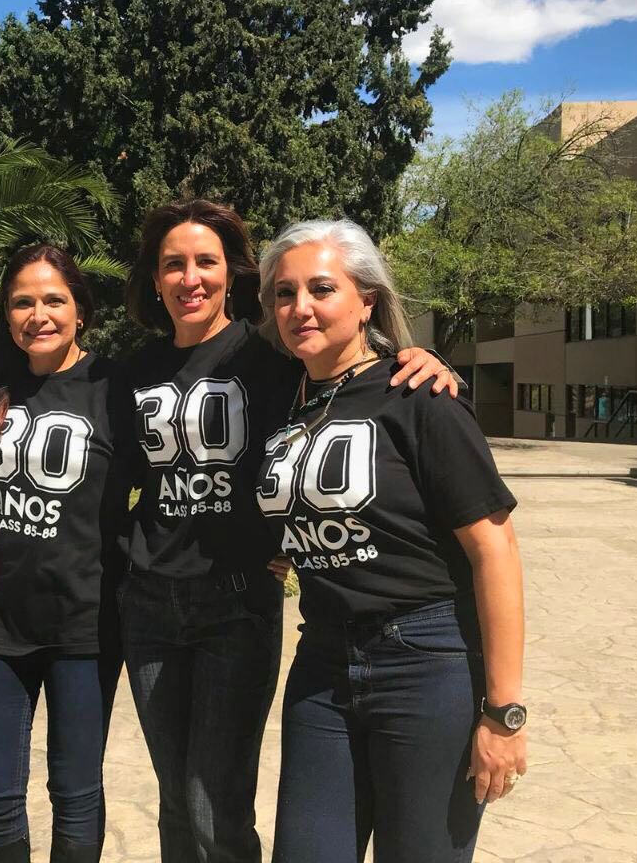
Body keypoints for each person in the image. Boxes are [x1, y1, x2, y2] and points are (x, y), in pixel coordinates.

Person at [115, 199, 457, 863]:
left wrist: (423, 359)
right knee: (174, 798)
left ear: (232, 274)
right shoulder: (133, 371)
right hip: (148, 605)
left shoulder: (275, 359)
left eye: (206, 262)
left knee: (215, 802)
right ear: (155, 281)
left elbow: (357, 373)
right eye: (173, 265)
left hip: (235, 606)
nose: (191, 278)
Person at [257, 219, 525, 863]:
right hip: (322, 662)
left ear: (367, 299)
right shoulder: (284, 400)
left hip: (427, 663)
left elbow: (496, 552)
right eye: (284, 293)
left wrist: (504, 713)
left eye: (322, 288)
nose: (301, 308)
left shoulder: (419, 397)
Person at [0, 245, 129, 863]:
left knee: (77, 790)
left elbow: (177, 466)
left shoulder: (116, 386)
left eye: (54, 300)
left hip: (84, 624)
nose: (39, 314)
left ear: (80, 311)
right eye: (22, 302)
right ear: (7, 315)